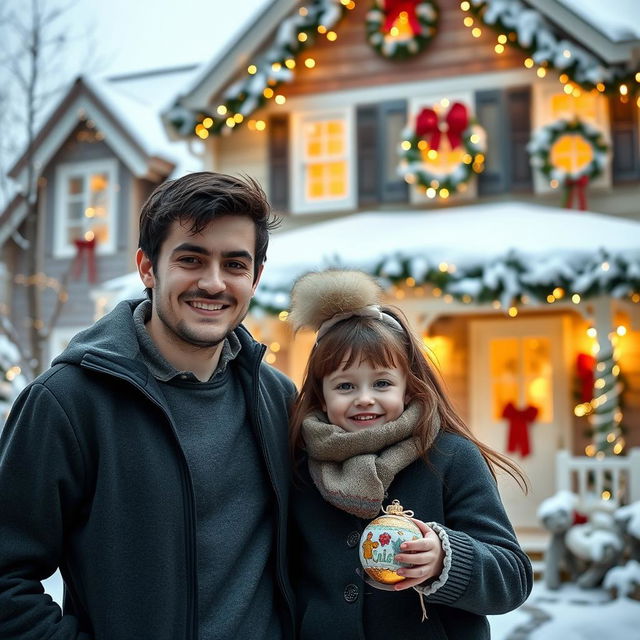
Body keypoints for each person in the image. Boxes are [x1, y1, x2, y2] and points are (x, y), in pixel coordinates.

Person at [0, 172, 296, 639]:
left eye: (235, 265)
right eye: (191, 259)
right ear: (147, 267)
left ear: (255, 277)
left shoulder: (277, 399)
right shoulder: (67, 402)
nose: (214, 283)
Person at [287, 269, 533, 639]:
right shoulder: (304, 466)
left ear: (408, 387)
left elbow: (511, 578)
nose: (365, 397)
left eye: (382, 382)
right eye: (345, 385)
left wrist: (444, 560)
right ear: (323, 395)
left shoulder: (450, 458)